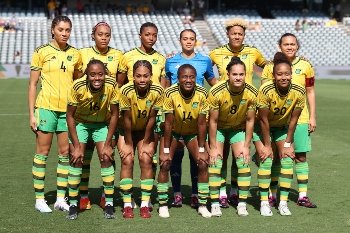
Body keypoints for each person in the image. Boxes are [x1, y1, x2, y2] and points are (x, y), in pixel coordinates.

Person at [209, 18, 267, 208]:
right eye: (233, 33)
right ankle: (222, 191)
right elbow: (202, 67)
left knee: (239, 155)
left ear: (244, 35)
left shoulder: (253, 52)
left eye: (240, 34)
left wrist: (289, 59)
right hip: (223, 105)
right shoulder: (216, 53)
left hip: (245, 108)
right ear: (227, 34)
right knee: (221, 155)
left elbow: (269, 66)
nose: (236, 36)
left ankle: (234, 191)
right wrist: (215, 85)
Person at [28, 15, 82, 213]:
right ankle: (40, 199)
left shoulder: (75, 54)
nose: (64, 33)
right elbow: (33, 84)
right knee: (42, 153)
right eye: (61, 29)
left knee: (64, 154)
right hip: (46, 108)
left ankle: (60, 198)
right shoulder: (41, 52)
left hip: (67, 112)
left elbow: (77, 82)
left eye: (68, 30)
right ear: (53, 30)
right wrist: (32, 114)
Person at [261, 33, 317, 208]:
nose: (290, 47)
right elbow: (265, 92)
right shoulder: (270, 67)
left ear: (297, 46)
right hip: (277, 119)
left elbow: (310, 91)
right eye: (286, 44)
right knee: (277, 157)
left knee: (300, 156)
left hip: (301, 117)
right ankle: (273, 194)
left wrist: (313, 116)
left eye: (293, 44)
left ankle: (302, 195)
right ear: (280, 46)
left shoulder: (306, 65)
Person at [162, 29, 217, 208]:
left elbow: (213, 83)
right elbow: (166, 88)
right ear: (180, 40)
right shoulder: (170, 61)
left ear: (196, 41)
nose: (188, 41)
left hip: (197, 116)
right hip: (176, 116)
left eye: (191, 39)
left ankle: (195, 193)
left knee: (198, 159)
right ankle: (177, 193)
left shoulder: (205, 60)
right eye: (185, 39)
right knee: (175, 157)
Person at [66, 59, 119, 220]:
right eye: (93, 75)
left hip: (101, 124)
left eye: (100, 74)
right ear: (87, 75)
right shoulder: (77, 86)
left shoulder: (112, 85)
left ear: (105, 74)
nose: (97, 78)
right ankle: (74, 203)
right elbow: (69, 116)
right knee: (76, 158)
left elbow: (115, 114)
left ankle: (109, 204)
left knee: (106, 157)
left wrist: (109, 144)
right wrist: (76, 145)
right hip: (81, 124)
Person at [78, 21, 123, 211]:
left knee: (107, 156)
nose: (104, 37)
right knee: (84, 157)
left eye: (107, 34)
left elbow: (119, 85)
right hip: (86, 115)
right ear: (93, 35)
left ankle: (106, 196)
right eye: (100, 34)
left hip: (106, 117)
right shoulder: (83, 54)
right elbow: (77, 80)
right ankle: (83, 195)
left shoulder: (118, 55)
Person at [157, 64, 211, 218]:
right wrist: (166, 150)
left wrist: (201, 148)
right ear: (178, 79)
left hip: (192, 133)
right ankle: (162, 204)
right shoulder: (169, 93)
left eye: (192, 77)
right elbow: (168, 123)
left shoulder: (202, 93)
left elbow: (202, 123)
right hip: (173, 132)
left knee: (203, 162)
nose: (188, 80)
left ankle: (202, 204)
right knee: (165, 163)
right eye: (184, 77)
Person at [257, 52, 306, 216]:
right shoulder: (265, 89)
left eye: (286, 74)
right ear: (273, 76)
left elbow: (294, 119)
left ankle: (282, 203)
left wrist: (287, 143)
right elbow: (263, 120)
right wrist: (267, 145)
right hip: (263, 128)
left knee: (287, 159)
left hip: (282, 128)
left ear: (291, 74)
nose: (283, 77)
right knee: (266, 158)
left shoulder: (299, 91)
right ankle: (264, 202)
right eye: (279, 74)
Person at [207, 57, 257, 217]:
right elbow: (213, 121)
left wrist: (247, 146)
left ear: (245, 75)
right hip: (219, 129)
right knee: (215, 162)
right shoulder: (216, 91)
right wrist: (213, 147)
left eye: (241, 74)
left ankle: (242, 204)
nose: (238, 77)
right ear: (227, 74)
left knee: (243, 162)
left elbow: (250, 120)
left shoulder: (251, 92)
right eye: (234, 74)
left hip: (237, 129)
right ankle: (215, 203)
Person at [118, 60, 163, 219]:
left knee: (145, 159)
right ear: (132, 76)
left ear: (151, 76)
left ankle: (144, 204)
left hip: (145, 130)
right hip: (126, 130)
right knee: (127, 160)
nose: (142, 79)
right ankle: (127, 204)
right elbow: (127, 120)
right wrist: (129, 144)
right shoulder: (125, 91)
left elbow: (152, 118)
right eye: (138, 76)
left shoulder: (157, 91)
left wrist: (146, 141)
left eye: (145, 76)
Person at [117, 22, 165, 87]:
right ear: (140, 36)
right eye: (147, 35)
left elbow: (163, 88)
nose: (151, 38)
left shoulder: (161, 59)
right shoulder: (127, 56)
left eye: (154, 35)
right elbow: (119, 85)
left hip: (154, 97)